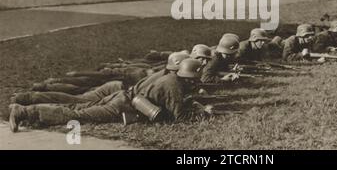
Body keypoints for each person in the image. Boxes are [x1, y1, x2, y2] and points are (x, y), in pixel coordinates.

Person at [9, 59, 207, 132]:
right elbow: (179, 118)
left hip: (122, 96)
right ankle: (25, 111)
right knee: (77, 115)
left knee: (76, 105)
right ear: (190, 77)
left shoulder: (168, 77)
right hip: (123, 106)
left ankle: (27, 103)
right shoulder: (174, 86)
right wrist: (202, 112)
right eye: (195, 78)